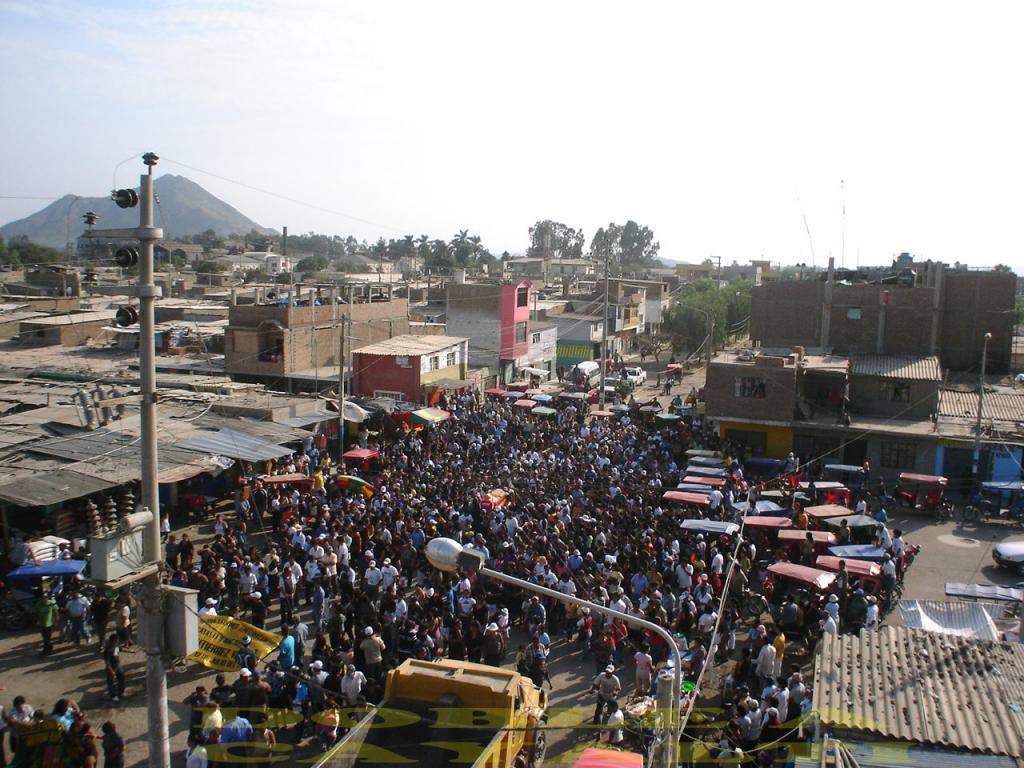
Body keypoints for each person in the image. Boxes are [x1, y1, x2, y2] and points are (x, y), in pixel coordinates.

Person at [103, 634, 126, 702]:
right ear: (112, 641)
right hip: (111, 667)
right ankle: (113, 695)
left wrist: (131, 651)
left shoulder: (116, 646)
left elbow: (121, 649)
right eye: (116, 641)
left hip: (118, 665)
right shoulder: (107, 650)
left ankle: (121, 692)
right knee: (111, 682)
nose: (117, 642)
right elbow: (107, 663)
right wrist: (111, 671)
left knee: (121, 677)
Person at [35, 591, 57, 656]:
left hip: (49, 624)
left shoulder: (51, 604)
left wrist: (55, 622)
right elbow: (36, 614)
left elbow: (56, 613)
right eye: (42, 598)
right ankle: (50, 647)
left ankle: (46, 651)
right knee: (45, 638)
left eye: (45, 597)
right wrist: (37, 621)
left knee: (47, 639)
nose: (44, 599)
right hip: (42, 624)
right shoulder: (38, 605)